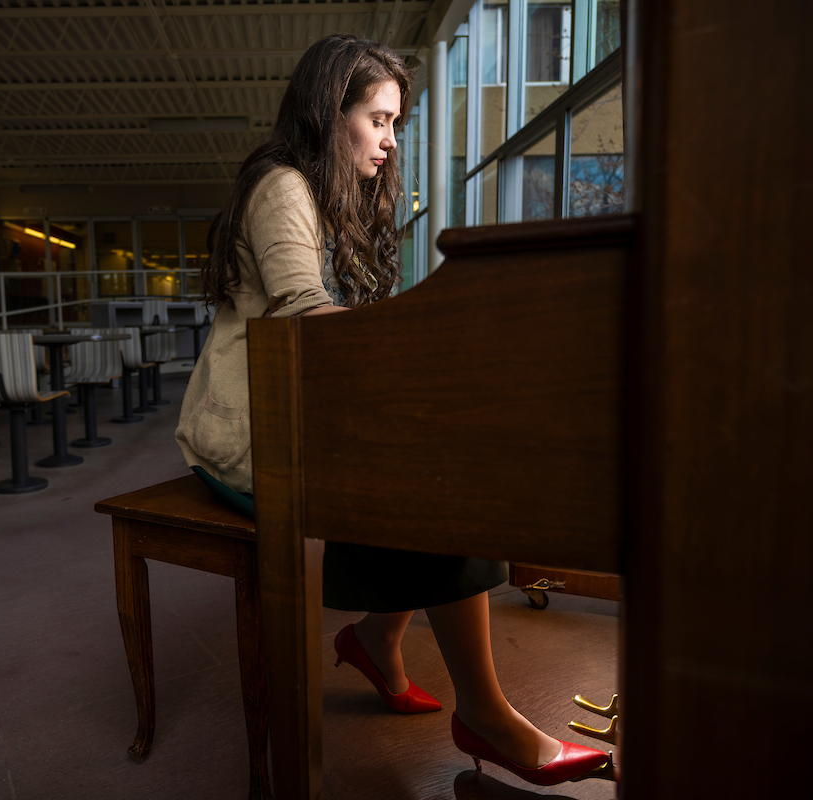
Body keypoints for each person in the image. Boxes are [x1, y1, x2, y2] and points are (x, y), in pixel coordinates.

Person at [175, 33, 609, 787]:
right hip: (249, 432)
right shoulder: (283, 184)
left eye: (395, 123)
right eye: (377, 119)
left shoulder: (322, 191)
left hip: (293, 411)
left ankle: (378, 640)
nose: (389, 140)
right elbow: (308, 318)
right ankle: (483, 714)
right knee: (433, 490)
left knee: (432, 465)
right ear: (328, 111)